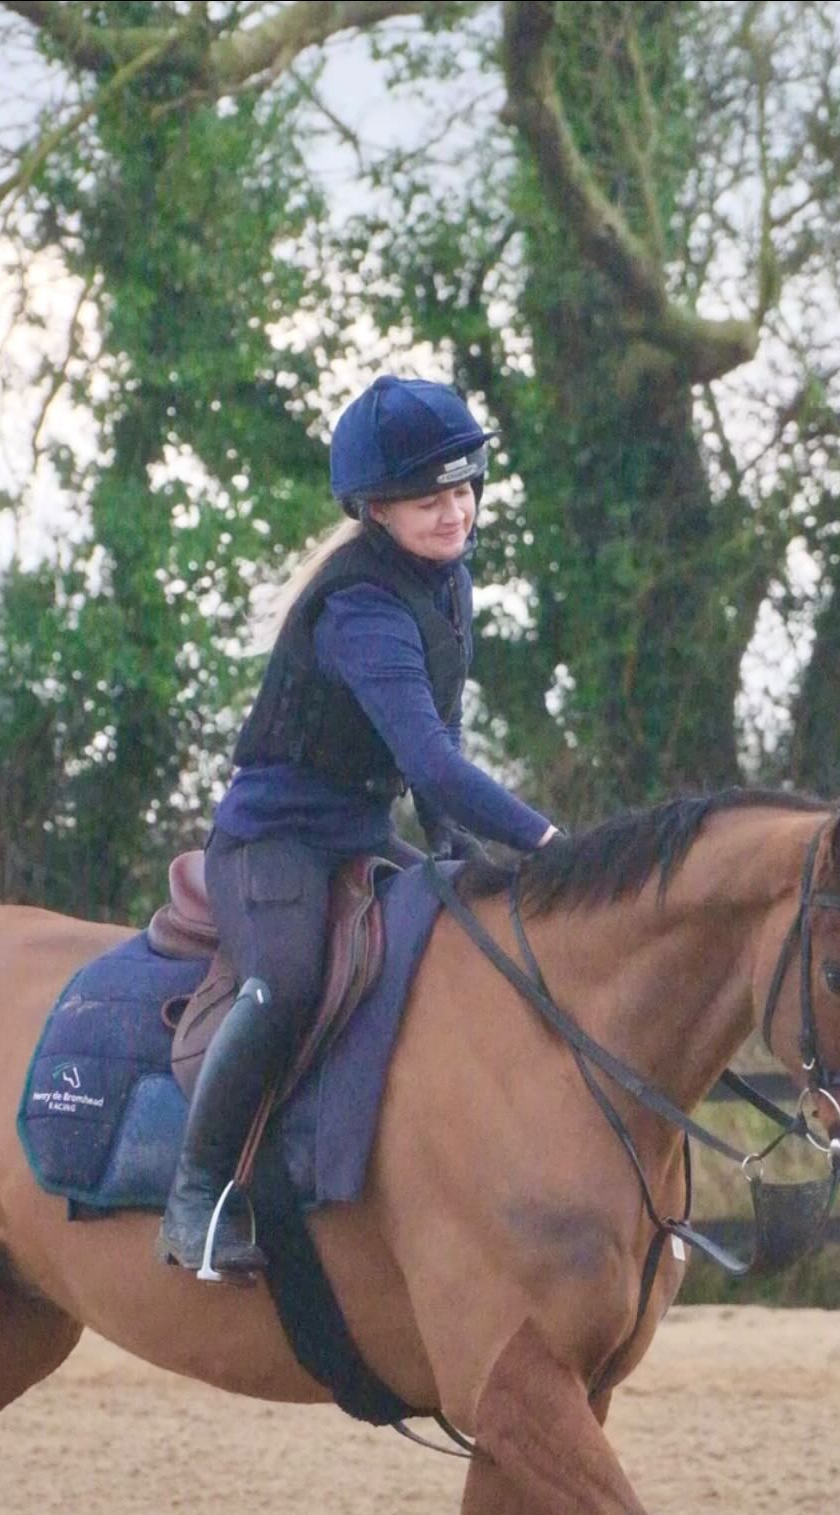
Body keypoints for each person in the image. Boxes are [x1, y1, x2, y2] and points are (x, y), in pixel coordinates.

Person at [157, 374, 559, 1280]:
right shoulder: (362, 606)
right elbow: (432, 761)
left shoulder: (447, 585)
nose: (454, 511)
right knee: (288, 983)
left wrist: (461, 859)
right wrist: (543, 843)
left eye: (463, 489)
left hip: (359, 831)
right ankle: (195, 1196)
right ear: (375, 509)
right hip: (276, 842)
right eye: (429, 498)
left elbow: (437, 743)